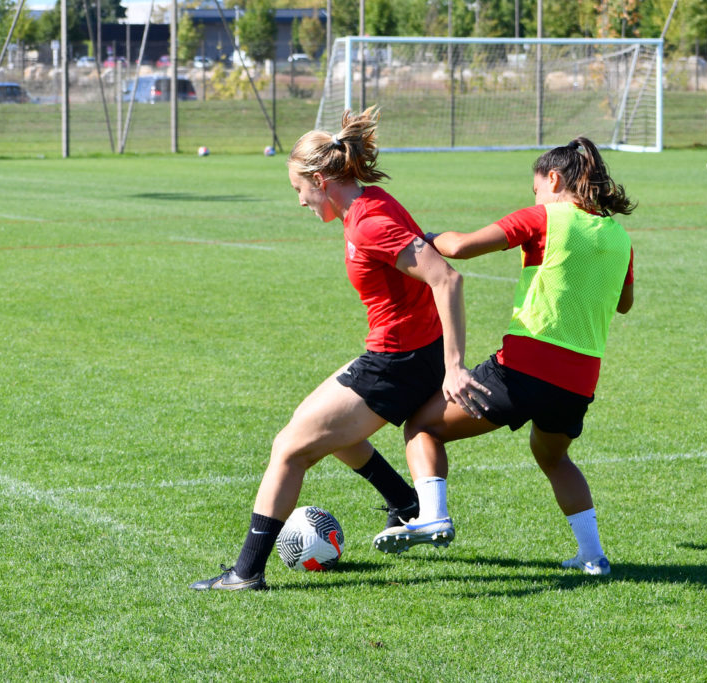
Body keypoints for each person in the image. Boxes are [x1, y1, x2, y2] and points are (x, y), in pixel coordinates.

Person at [192, 107, 486, 591]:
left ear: (320, 180)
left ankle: (246, 573)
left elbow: (446, 279)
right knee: (323, 427)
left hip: (400, 361)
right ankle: (404, 503)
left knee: (289, 448)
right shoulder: (367, 206)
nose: (299, 201)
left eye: (298, 189)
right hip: (401, 354)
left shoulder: (369, 221)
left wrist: (454, 367)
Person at [373, 137, 635, 576]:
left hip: (525, 367)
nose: (535, 198)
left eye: (536, 188)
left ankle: (432, 515)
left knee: (422, 426)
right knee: (553, 457)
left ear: (554, 179)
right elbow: (624, 304)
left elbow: (460, 247)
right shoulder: (619, 236)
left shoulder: (544, 217)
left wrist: (423, 238)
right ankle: (593, 557)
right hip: (579, 380)